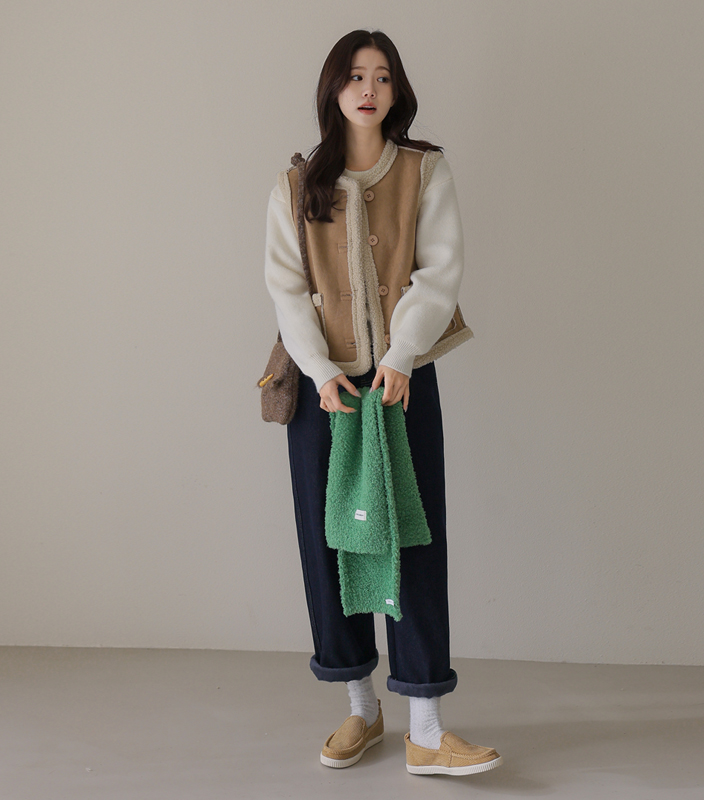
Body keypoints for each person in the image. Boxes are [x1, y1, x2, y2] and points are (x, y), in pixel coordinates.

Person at [263, 28, 502, 777]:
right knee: (330, 544)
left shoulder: (425, 170)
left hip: (401, 383)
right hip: (324, 394)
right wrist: (317, 369)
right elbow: (286, 288)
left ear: (397, 91)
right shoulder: (295, 186)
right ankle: (361, 709)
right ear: (333, 89)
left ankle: (426, 729)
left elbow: (440, 271)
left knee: (414, 542)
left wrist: (400, 356)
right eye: (355, 76)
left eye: (383, 76)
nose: (368, 89)